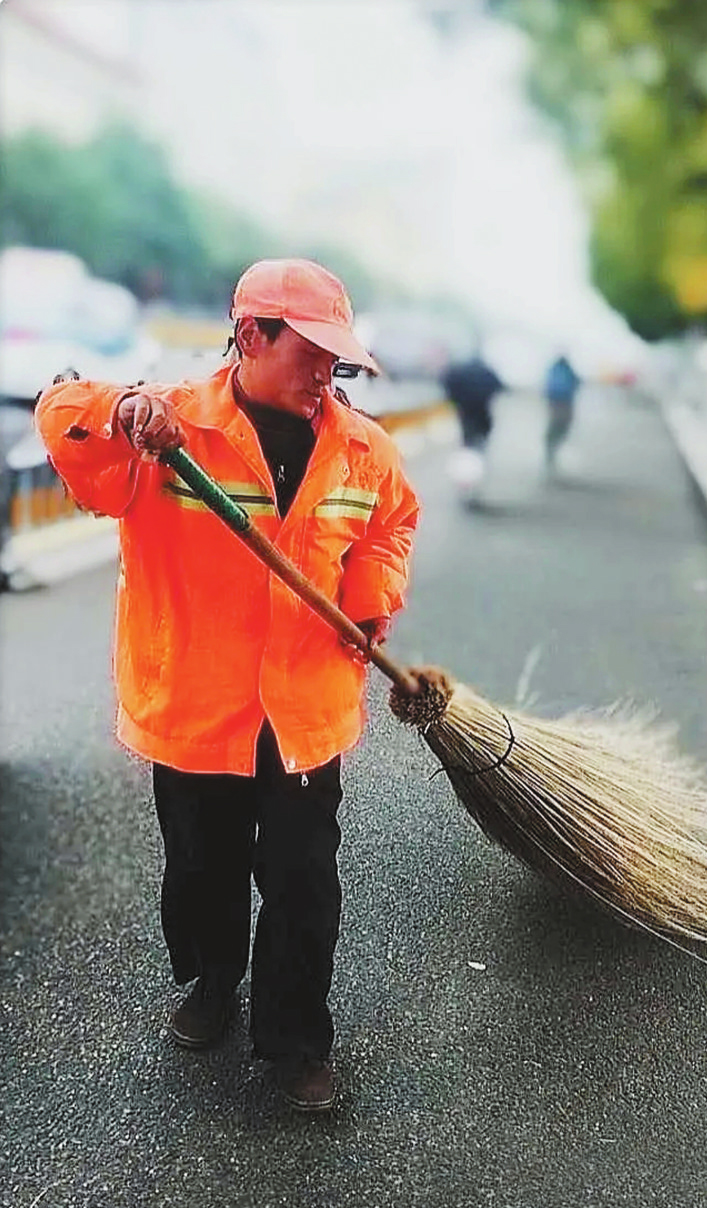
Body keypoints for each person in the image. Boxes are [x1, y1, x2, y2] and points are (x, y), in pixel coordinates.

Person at [35, 258, 420, 1113]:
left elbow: (390, 527)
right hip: (198, 703)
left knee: (303, 881)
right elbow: (62, 424)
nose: (324, 374)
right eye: (309, 354)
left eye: (336, 359)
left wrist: (367, 602)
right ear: (251, 335)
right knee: (201, 869)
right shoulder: (167, 425)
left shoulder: (364, 450)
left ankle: (296, 1041)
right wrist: (118, 410)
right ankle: (213, 980)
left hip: (304, 708)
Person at [439, 352, 503, 505]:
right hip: (483, 417)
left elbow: (446, 384)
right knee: (478, 451)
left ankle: (464, 486)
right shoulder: (486, 372)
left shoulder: (458, 371)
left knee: (466, 448)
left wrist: (455, 400)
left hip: (464, 416)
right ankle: (473, 487)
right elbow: (499, 387)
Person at [542, 353, 580, 477]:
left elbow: (546, 386)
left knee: (555, 424)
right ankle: (553, 446)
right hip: (565, 402)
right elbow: (577, 383)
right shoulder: (568, 370)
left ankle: (550, 447)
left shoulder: (553, 370)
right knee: (562, 425)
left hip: (554, 402)